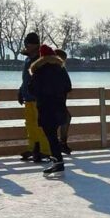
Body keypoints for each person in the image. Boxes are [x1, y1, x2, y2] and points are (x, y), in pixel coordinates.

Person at [29, 44, 73, 175]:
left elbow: (32, 89)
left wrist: (41, 94)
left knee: (51, 136)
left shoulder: (39, 70)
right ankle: (57, 160)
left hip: (46, 107)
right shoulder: (60, 69)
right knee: (54, 135)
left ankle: (58, 162)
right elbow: (68, 86)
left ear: (42, 57)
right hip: (59, 106)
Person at [18, 31, 48, 162]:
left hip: (39, 98)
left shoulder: (41, 59)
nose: (27, 46)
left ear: (35, 45)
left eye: (29, 44)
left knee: (41, 125)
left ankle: (45, 150)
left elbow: (44, 80)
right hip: (28, 98)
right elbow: (26, 79)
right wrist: (21, 90)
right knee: (30, 124)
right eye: (26, 44)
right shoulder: (27, 60)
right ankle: (33, 147)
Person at [55, 50, 74, 155]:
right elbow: (68, 86)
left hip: (58, 100)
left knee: (64, 118)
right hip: (58, 100)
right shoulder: (60, 69)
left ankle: (61, 143)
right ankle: (61, 143)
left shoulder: (59, 69)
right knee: (64, 119)